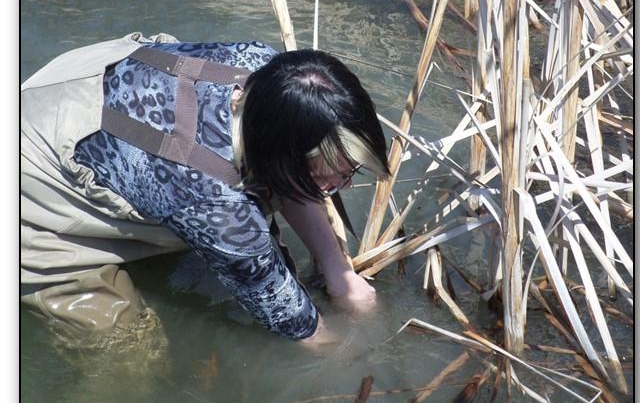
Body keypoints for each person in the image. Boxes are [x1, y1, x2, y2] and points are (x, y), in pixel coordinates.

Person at [21, 32, 389, 350]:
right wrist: (347, 353)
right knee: (130, 349)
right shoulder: (214, 205)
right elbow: (299, 327)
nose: (344, 187)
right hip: (30, 193)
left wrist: (341, 276)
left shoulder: (271, 72)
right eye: (330, 177)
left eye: (350, 172)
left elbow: (289, 178)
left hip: (67, 88)